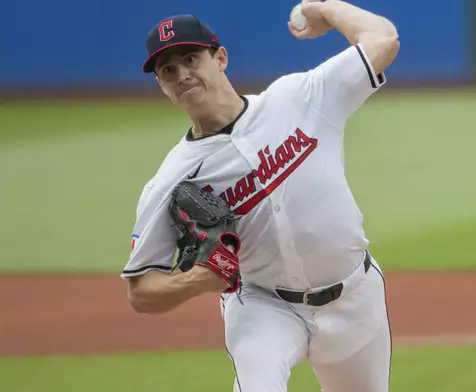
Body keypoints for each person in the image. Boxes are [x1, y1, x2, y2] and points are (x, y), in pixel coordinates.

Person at [122, 1, 399, 391]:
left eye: (190, 59)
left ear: (220, 58)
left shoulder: (297, 99)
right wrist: (197, 281)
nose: (182, 74)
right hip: (262, 306)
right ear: (161, 85)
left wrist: (324, 8)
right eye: (168, 70)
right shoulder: (170, 181)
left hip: (355, 297)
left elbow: (383, 39)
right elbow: (141, 292)